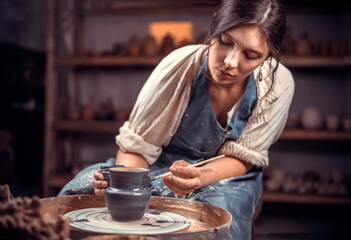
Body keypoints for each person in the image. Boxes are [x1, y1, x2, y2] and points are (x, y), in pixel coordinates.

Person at [59, 0, 294, 239]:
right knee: (77, 194)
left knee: (216, 224)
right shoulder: (178, 67)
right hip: (157, 168)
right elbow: (137, 147)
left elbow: (242, 157)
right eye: (225, 42)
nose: (231, 62)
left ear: (268, 56)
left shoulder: (276, 85)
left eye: (251, 55)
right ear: (215, 24)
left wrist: (201, 177)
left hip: (228, 176)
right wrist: (124, 182)